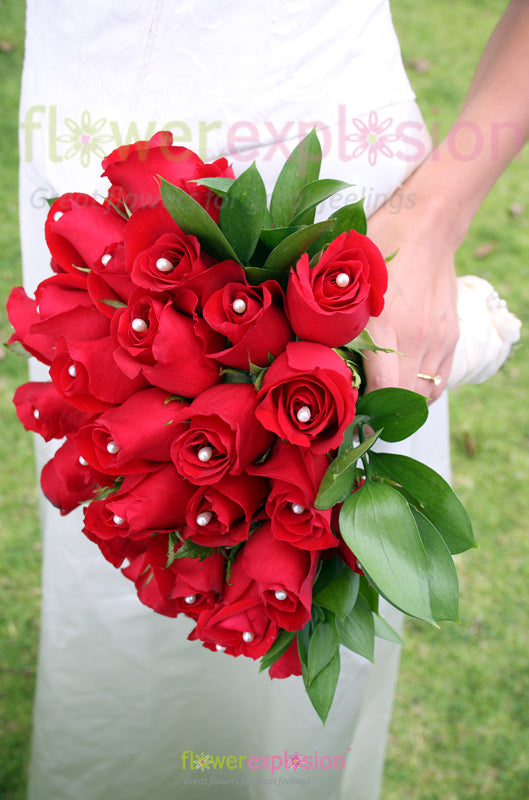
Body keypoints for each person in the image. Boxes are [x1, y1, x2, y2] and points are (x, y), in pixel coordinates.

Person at [17, 2, 528, 799]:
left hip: (341, 198)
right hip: (84, 186)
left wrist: (430, 220)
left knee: (297, 663)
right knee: (117, 615)